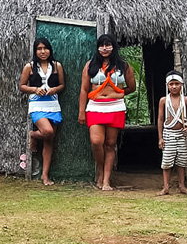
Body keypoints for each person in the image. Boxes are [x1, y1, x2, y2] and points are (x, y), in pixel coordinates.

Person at [78, 34, 136, 191]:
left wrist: (117, 93)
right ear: (98, 47)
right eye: (102, 45)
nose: (104, 48)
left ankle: (106, 181)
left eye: (108, 45)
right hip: (95, 106)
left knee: (110, 144)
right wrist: (81, 111)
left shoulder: (124, 66)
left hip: (115, 107)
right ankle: (100, 172)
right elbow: (84, 90)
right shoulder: (90, 66)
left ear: (113, 47)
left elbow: (132, 87)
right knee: (96, 141)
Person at [19, 37, 64, 185]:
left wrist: (55, 89)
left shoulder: (57, 66)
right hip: (37, 105)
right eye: (39, 49)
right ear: (35, 51)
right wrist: (34, 89)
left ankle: (45, 175)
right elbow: (22, 86)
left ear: (50, 50)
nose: (43, 51)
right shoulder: (30, 67)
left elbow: (62, 85)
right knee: (48, 132)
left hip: (53, 104)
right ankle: (32, 134)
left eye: (45, 48)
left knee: (49, 141)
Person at [157, 70, 187, 196]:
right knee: (167, 162)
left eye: (176, 83)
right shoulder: (163, 101)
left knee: (181, 161)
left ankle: (182, 186)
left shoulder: (186, 100)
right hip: (168, 134)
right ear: (167, 85)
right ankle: (166, 187)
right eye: (171, 84)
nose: (174, 86)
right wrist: (160, 138)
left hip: (181, 135)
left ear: (181, 85)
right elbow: (160, 119)